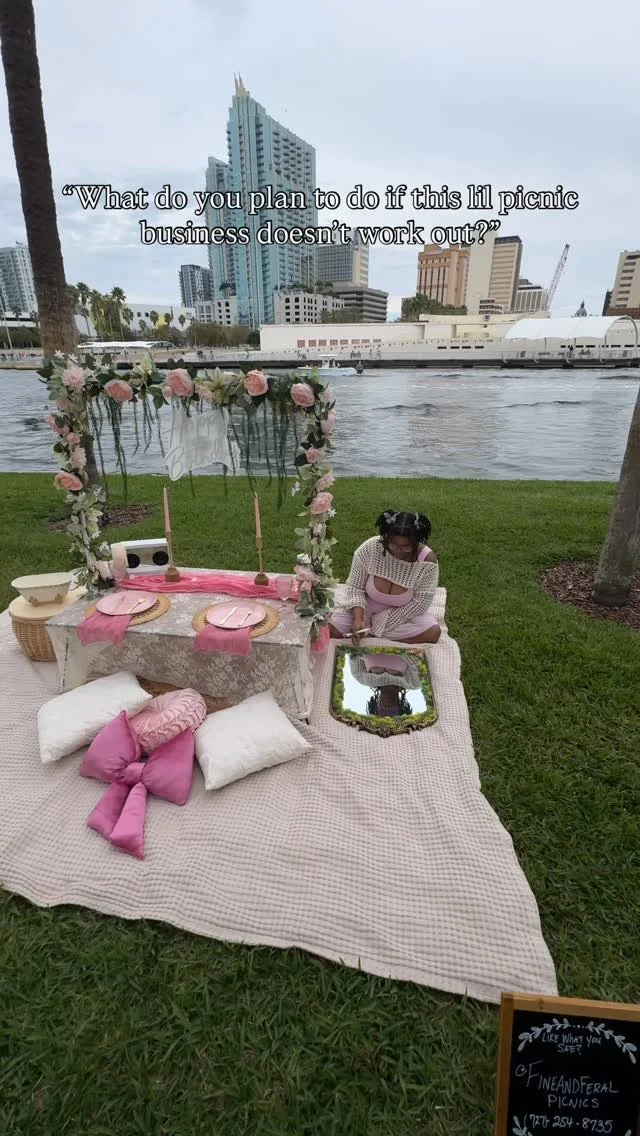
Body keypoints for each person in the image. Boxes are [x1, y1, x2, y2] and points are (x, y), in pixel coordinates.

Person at [329, 510, 441, 645]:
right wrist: (359, 619)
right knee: (330, 629)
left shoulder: (427, 561)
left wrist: (381, 622)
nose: (398, 552)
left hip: (401, 616)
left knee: (433, 632)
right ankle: (377, 636)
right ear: (385, 537)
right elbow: (355, 587)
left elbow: (420, 604)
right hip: (365, 607)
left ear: (417, 543)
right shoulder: (370, 548)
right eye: (392, 545)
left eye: (406, 548)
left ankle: (372, 636)